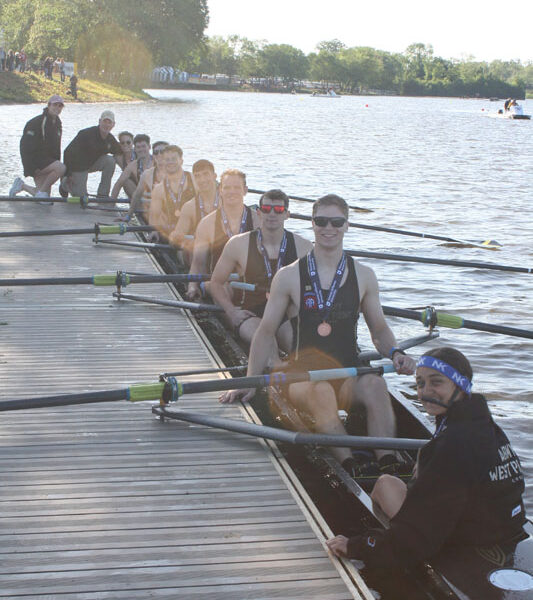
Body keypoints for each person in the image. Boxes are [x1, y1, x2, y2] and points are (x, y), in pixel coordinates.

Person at [220, 194, 415, 476]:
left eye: (336, 222)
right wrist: (251, 381)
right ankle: (351, 466)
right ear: (312, 224)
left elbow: (380, 330)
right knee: (322, 391)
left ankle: (388, 459)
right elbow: (265, 332)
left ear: (347, 225)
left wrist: (396, 353)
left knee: (376, 385)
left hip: (347, 370)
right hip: (303, 376)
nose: (328, 228)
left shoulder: (364, 275)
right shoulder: (288, 276)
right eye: (321, 221)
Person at [326, 346, 526, 569]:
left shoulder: (452, 445)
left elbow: (418, 537)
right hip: (506, 526)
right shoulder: (488, 428)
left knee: (384, 485)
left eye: (436, 382)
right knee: (410, 469)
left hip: (465, 539)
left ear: (460, 385)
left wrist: (358, 546)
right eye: (420, 383)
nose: (425, 392)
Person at [210, 189, 312, 351]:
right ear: (258, 213)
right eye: (266, 209)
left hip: (285, 315)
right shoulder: (238, 244)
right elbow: (215, 283)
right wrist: (231, 312)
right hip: (250, 313)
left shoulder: (304, 247)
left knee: (299, 347)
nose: (272, 214)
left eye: (278, 210)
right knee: (267, 348)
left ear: (287, 215)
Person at [186, 168, 257, 301]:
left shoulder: (258, 221)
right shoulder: (207, 224)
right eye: (227, 188)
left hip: (249, 283)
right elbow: (197, 264)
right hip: (217, 283)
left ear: (245, 190)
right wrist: (192, 286)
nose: (231, 192)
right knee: (225, 289)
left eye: (237, 187)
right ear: (220, 191)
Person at [9, 94, 67, 202]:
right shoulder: (36, 122)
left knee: (44, 196)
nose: (57, 108)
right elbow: (24, 146)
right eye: (55, 105)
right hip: (36, 163)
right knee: (61, 168)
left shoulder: (58, 123)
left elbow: (56, 147)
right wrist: (30, 168)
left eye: (60, 106)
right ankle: (40, 193)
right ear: (48, 105)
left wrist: (55, 163)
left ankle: (22, 186)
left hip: (49, 163)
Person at [61, 110, 121, 199]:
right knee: (82, 198)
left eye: (109, 122)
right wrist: (68, 174)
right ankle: (64, 184)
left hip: (91, 164)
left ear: (113, 125)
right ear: (99, 121)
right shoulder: (85, 134)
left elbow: (119, 153)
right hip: (78, 167)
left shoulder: (110, 139)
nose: (106, 125)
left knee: (110, 161)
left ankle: (103, 194)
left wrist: (128, 171)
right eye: (104, 121)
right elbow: (67, 152)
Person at [168, 159, 219, 251]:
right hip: (198, 252)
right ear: (194, 180)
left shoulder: (227, 202)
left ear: (214, 176)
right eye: (197, 176)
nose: (202, 180)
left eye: (206, 174)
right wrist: (175, 238)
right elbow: (177, 237)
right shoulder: (189, 207)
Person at [148, 145, 194, 239]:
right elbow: (154, 216)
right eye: (167, 159)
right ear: (163, 162)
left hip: (195, 233)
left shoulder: (194, 180)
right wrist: (154, 230)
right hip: (173, 235)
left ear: (181, 161)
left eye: (174, 159)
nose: (170, 162)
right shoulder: (158, 189)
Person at [120, 140, 168, 222]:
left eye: (162, 152)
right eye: (156, 152)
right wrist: (128, 216)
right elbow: (136, 196)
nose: (159, 155)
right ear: (153, 155)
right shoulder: (147, 174)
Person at [110, 133, 152, 199]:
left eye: (143, 146)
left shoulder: (157, 162)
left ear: (149, 147)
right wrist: (112, 202)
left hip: (157, 196)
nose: (141, 149)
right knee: (125, 181)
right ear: (135, 149)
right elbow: (118, 184)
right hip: (141, 195)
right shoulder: (132, 165)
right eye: (138, 147)